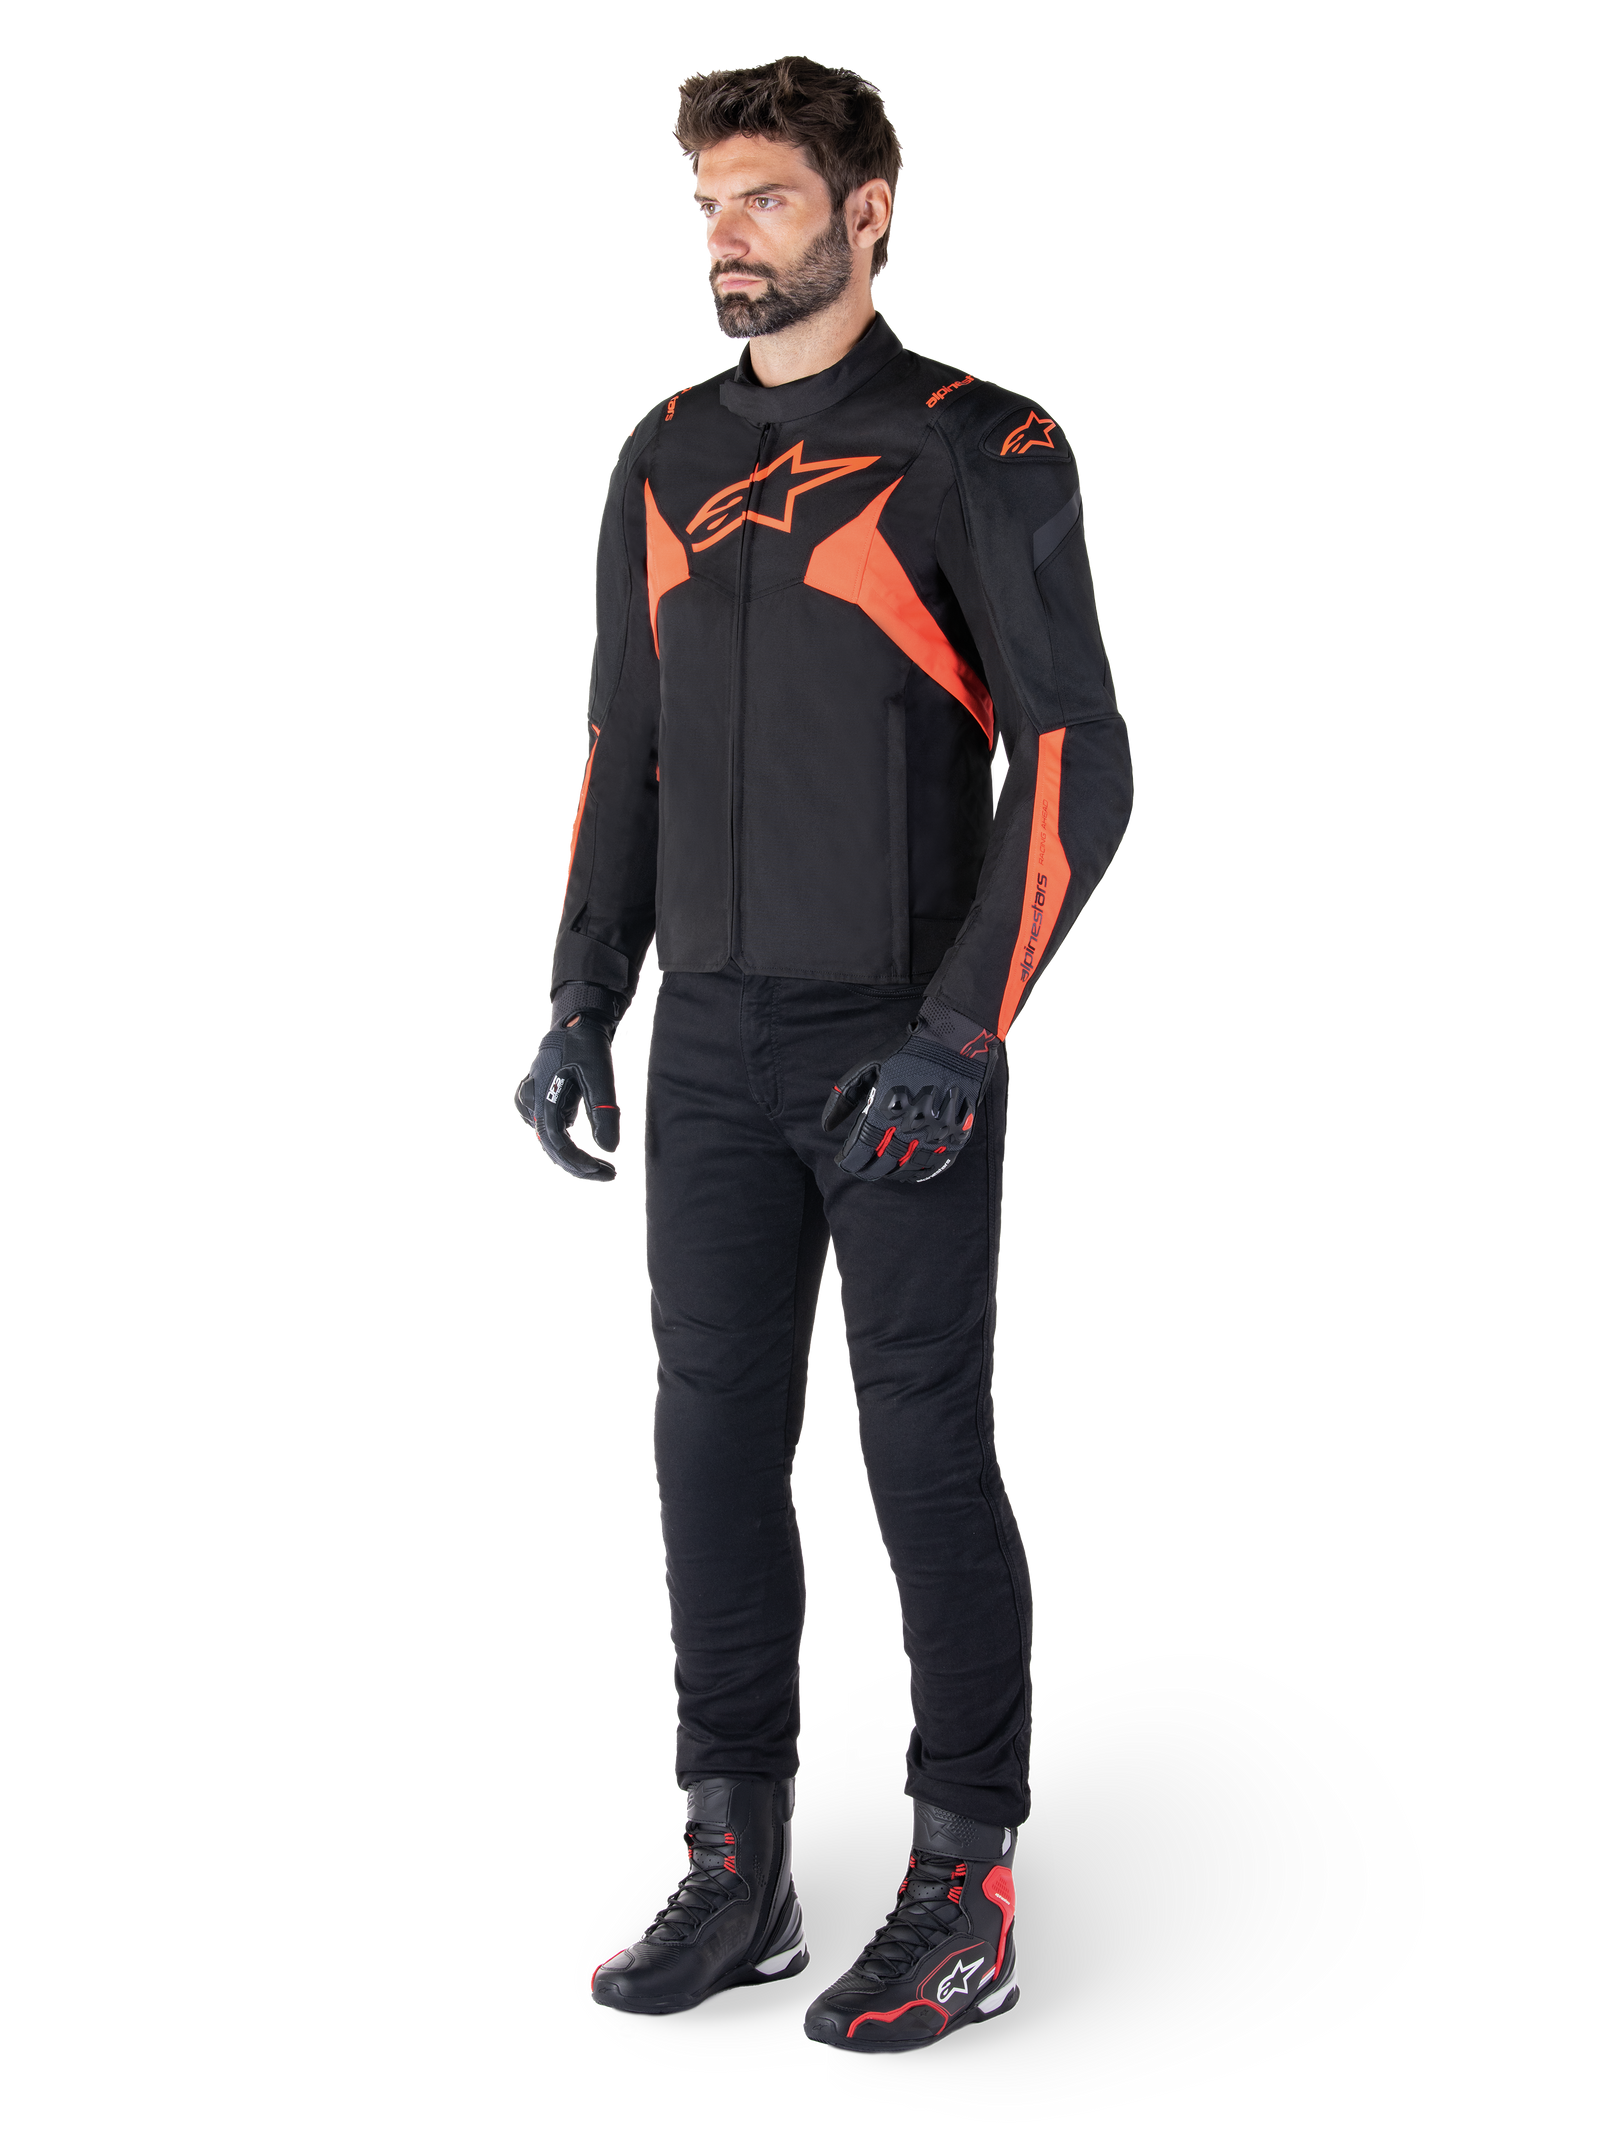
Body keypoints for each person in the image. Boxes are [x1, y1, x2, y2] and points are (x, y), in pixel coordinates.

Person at [513, 53, 1134, 2057]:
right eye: (708, 201)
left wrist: (964, 1029)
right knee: (704, 1441)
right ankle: (738, 1862)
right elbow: (622, 744)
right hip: (704, 1038)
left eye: (766, 197)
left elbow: (1081, 756)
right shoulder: (661, 451)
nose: (727, 234)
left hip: (896, 1040)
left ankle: (964, 1884)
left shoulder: (979, 441)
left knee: (918, 1443)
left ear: (868, 214)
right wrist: (577, 998)